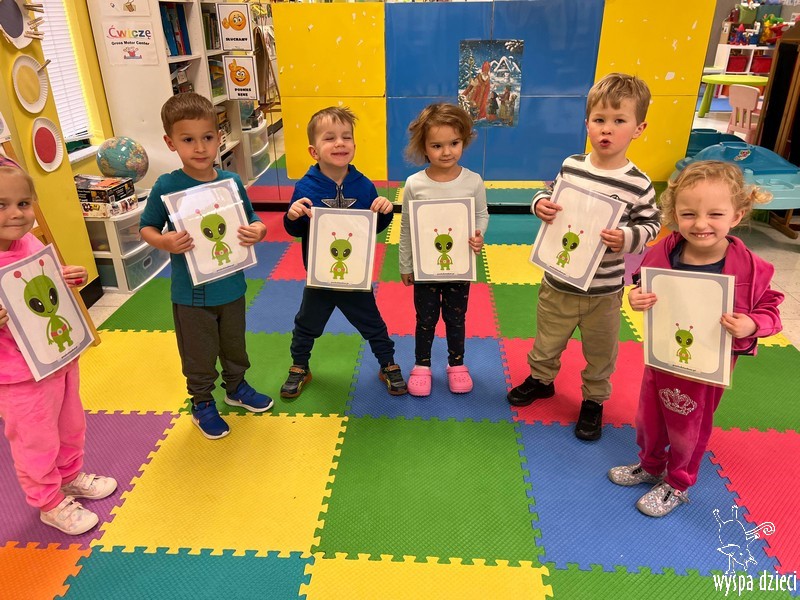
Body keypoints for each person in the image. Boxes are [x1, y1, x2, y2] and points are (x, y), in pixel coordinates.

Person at [609, 160, 783, 517]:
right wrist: (636, 297)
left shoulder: (750, 267)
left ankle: (677, 482)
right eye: (689, 214)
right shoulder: (665, 251)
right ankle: (651, 464)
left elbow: (771, 310)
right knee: (649, 417)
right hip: (662, 357)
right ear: (675, 214)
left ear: (737, 215)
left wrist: (752, 324)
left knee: (688, 427)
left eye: (715, 214)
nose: (701, 224)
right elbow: (641, 283)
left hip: (705, 369)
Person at [507, 73, 661, 441]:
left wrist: (626, 237)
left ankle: (593, 400)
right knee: (546, 341)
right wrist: (540, 204)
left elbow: (652, 226)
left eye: (619, 121)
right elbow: (549, 194)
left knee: (601, 352)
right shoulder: (572, 165)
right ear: (587, 122)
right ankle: (541, 379)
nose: (607, 129)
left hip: (603, 292)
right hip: (558, 282)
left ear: (638, 129)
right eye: (599, 119)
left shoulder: (638, 183)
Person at [140, 93, 270, 440]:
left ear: (219, 137)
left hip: (232, 287)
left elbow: (251, 217)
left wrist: (258, 229)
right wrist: (164, 241)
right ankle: (202, 403)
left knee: (234, 345)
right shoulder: (167, 186)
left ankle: (236, 387)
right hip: (192, 296)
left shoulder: (230, 182)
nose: (200, 148)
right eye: (188, 140)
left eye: (207, 137)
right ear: (171, 143)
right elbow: (147, 227)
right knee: (198, 354)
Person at [0, 163, 117, 535]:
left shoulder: (30, 243)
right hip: (18, 376)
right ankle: (48, 503)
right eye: (1, 205)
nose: (16, 214)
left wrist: (68, 277)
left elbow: (44, 285)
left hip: (57, 358)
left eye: (23, 203)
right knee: (35, 440)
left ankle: (68, 477)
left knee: (70, 425)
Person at [281, 106, 407, 398]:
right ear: (314, 151)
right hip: (320, 277)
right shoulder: (305, 186)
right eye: (330, 138)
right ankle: (299, 365)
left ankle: (387, 363)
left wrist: (384, 211)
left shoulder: (363, 186)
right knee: (306, 324)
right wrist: (292, 215)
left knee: (373, 323)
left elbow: (372, 228)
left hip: (355, 276)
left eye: (346, 137)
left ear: (354, 145)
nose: (339, 143)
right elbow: (296, 230)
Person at [398, 103, 489, 396]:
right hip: (425, 269)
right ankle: (422, 365)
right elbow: (406, 227)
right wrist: (405, 264)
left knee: (456, 318)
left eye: (454, 143)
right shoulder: (414, 184)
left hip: (459, 267)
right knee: (425, 319)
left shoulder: (473, 181)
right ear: (424, 147)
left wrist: (478, 235)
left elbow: (481, 215)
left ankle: (456, 364)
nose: (446, 152)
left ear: (464, 141)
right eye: (437, 146)